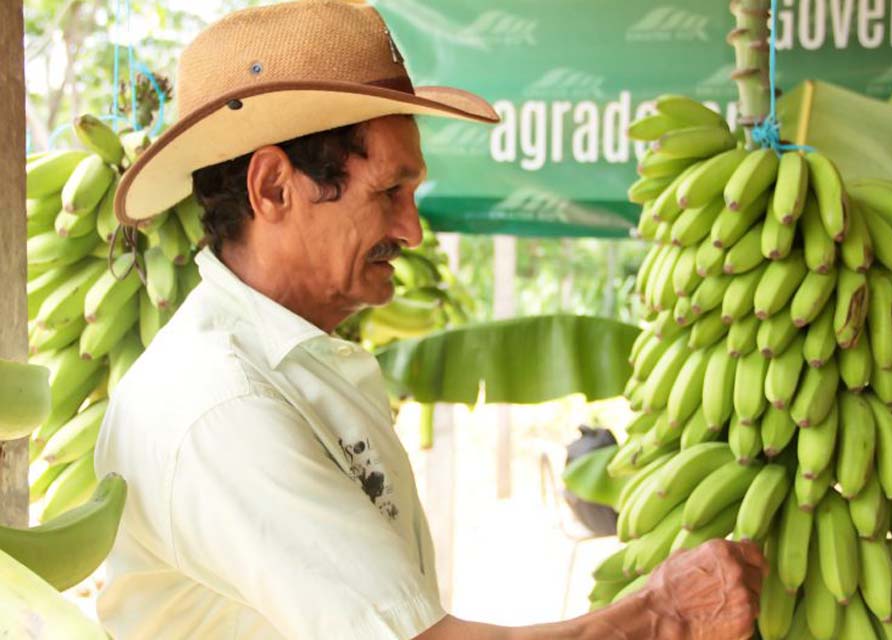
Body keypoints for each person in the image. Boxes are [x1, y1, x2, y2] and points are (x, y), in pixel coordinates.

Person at [95, 1, 766, 638]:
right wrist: (664, 615)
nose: (412, 231)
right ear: (273, 188)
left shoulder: (291, 367)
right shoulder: (220, 405)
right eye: (389, 191)